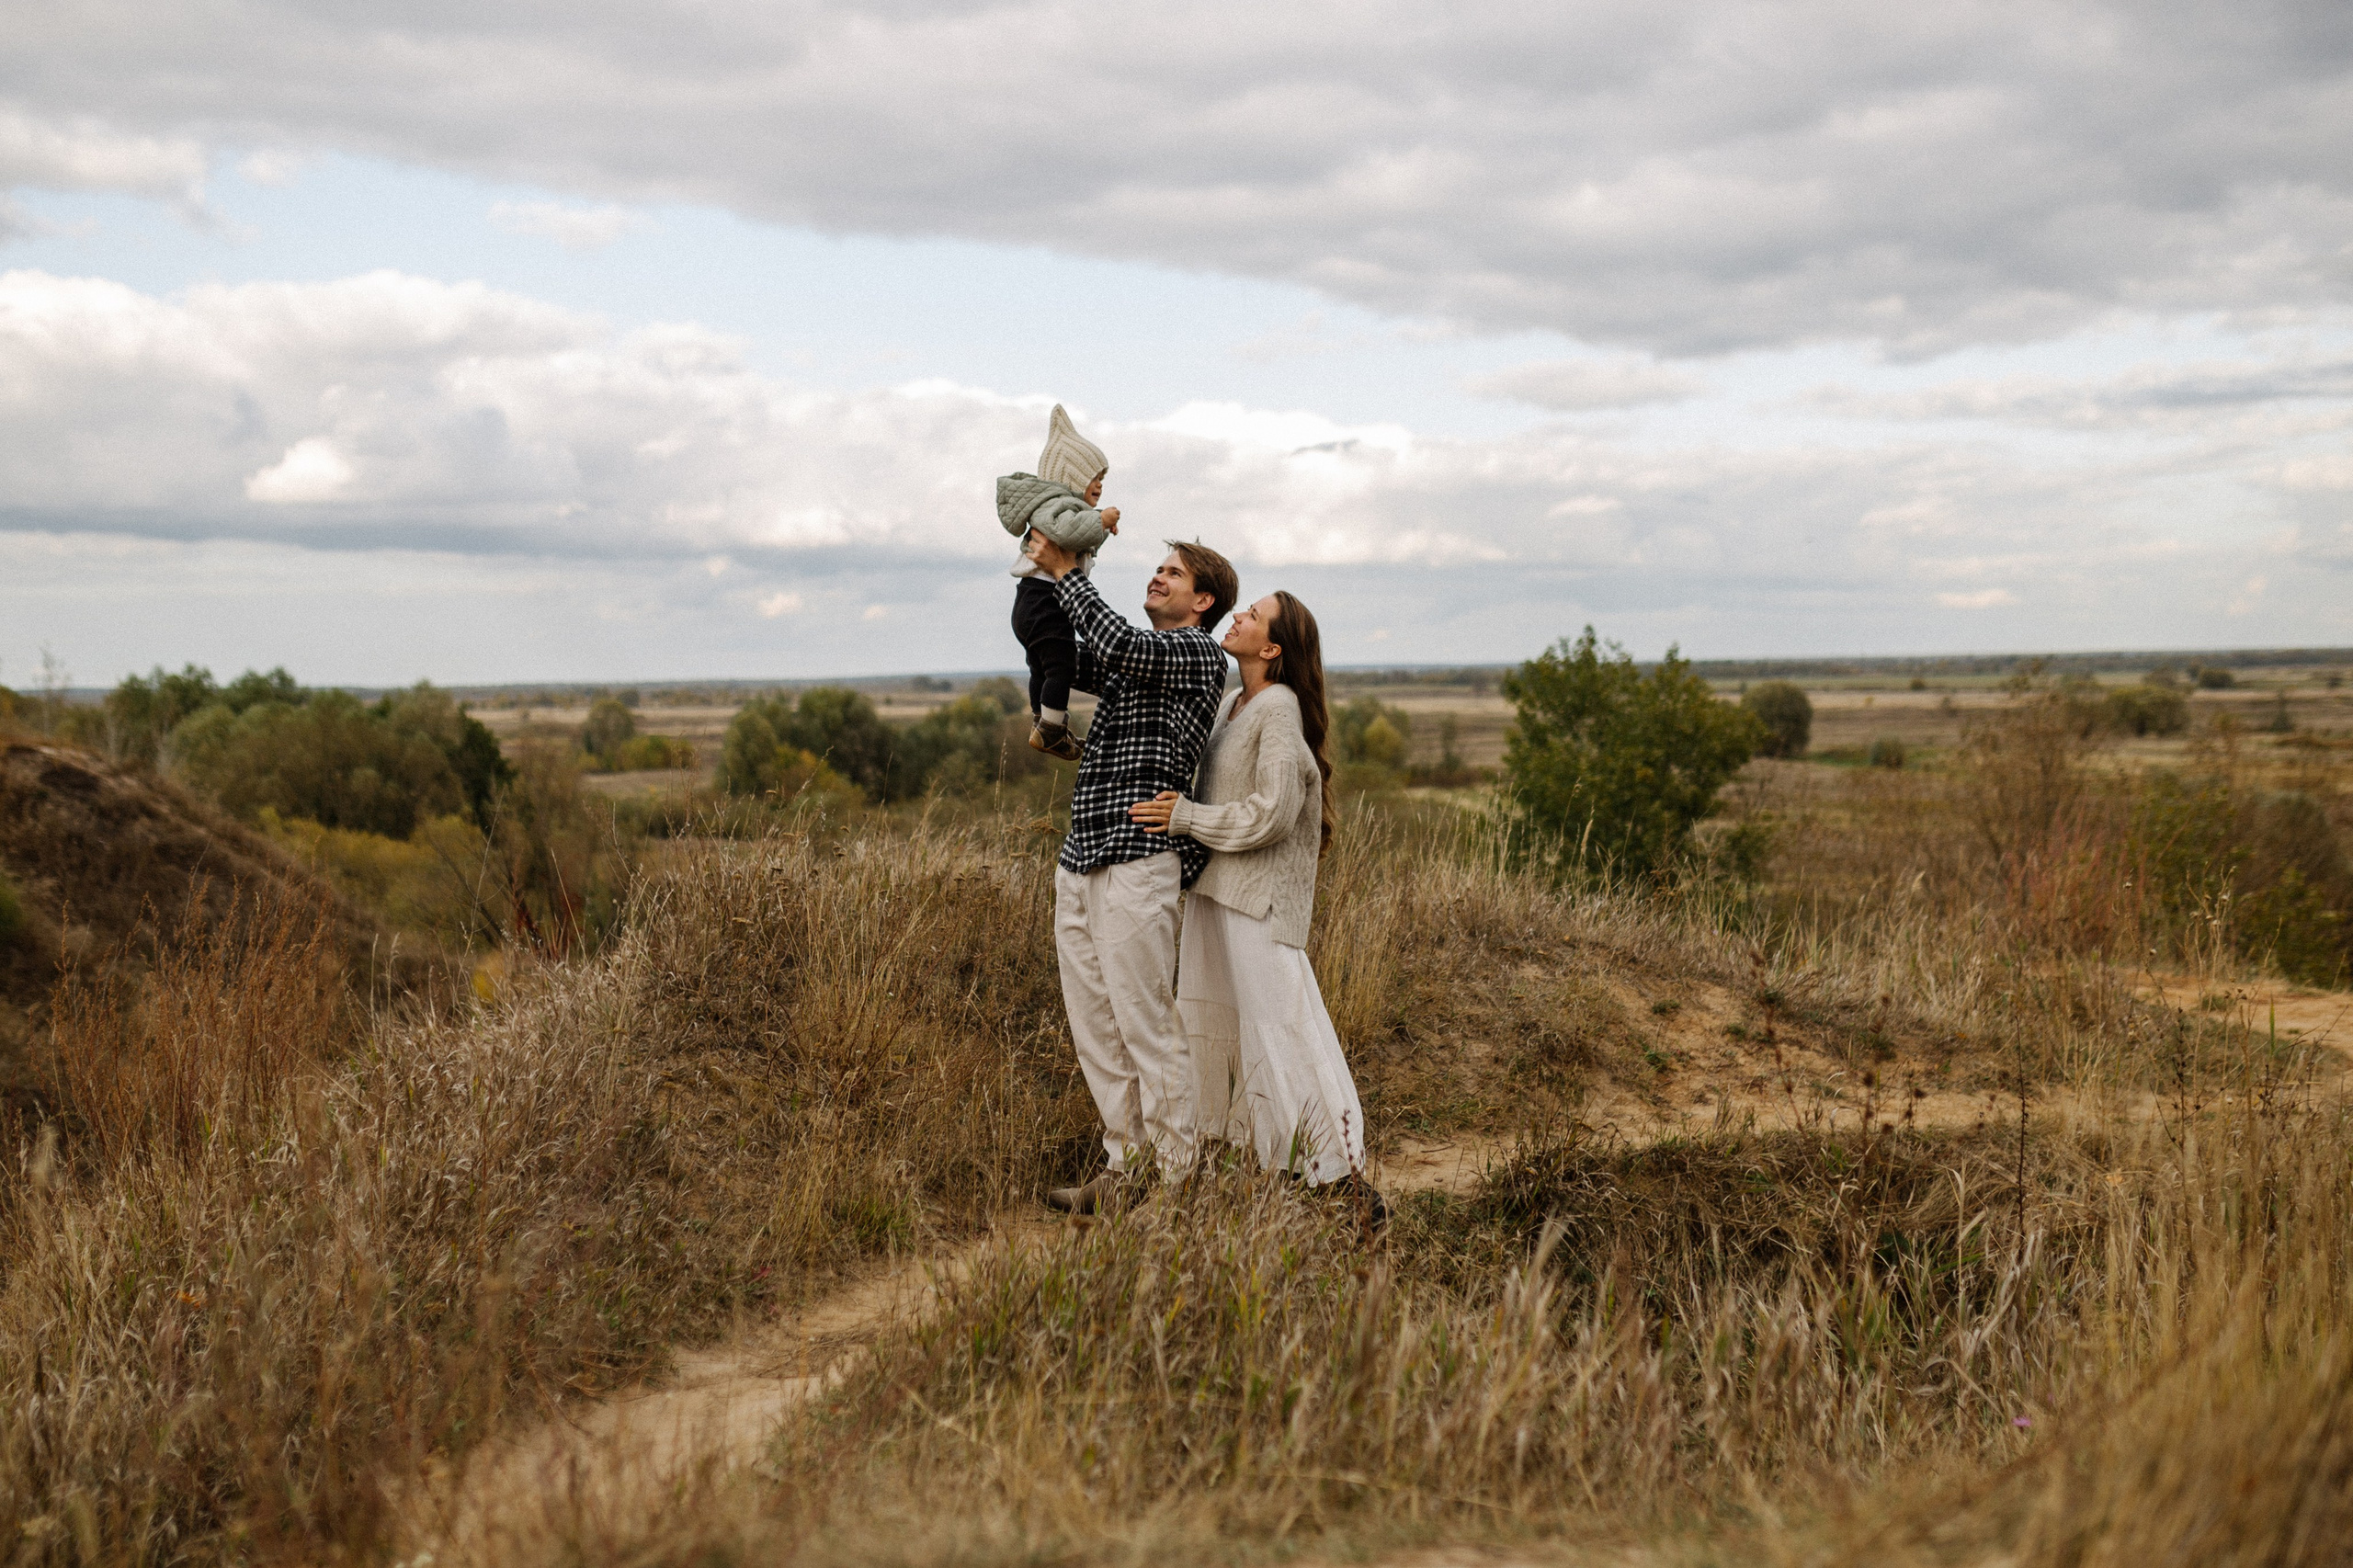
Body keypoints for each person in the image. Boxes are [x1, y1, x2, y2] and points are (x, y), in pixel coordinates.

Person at [1129, 590, 1386, 1227]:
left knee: (1282, 1027)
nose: (1237, 617)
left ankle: (1343, 1180)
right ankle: (1262, 1160)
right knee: (1217, 1024)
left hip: (1259, 899)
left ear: (1270, 648)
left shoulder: (1277, 707)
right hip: (1218, 891)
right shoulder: (1232, 704)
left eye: (1252, 616)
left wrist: (1185, 818)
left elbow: (1271, 812)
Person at [1022, 529, 1238, 1215]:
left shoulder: (1194, 654)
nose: (1156, 578)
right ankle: (1126, 1167)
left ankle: (1177, 1183)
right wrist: (1049, 574)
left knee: (1146, 1021)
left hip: (1141, 861)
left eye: (1172, 574)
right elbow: (1065, 652)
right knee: (1096, 1025)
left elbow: (1115, 645)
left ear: (1203, 601)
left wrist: (1071, 574)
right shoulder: (1139, 660)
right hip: (1083, 853)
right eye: (1155, 568)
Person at [998, 404, 1121, 762]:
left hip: (1032, 604)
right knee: (1061, 663)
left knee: (1042, 665)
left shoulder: (1060, 509)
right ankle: (1053, 728)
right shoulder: (1056, 508)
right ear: (1072, 477)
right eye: (1093, 476)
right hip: (1044, 602)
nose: (1099, 485)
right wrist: (1101, 519)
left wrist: (1100, 529)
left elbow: (1079, 542)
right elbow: (1070, 532)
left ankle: (1043, 723)